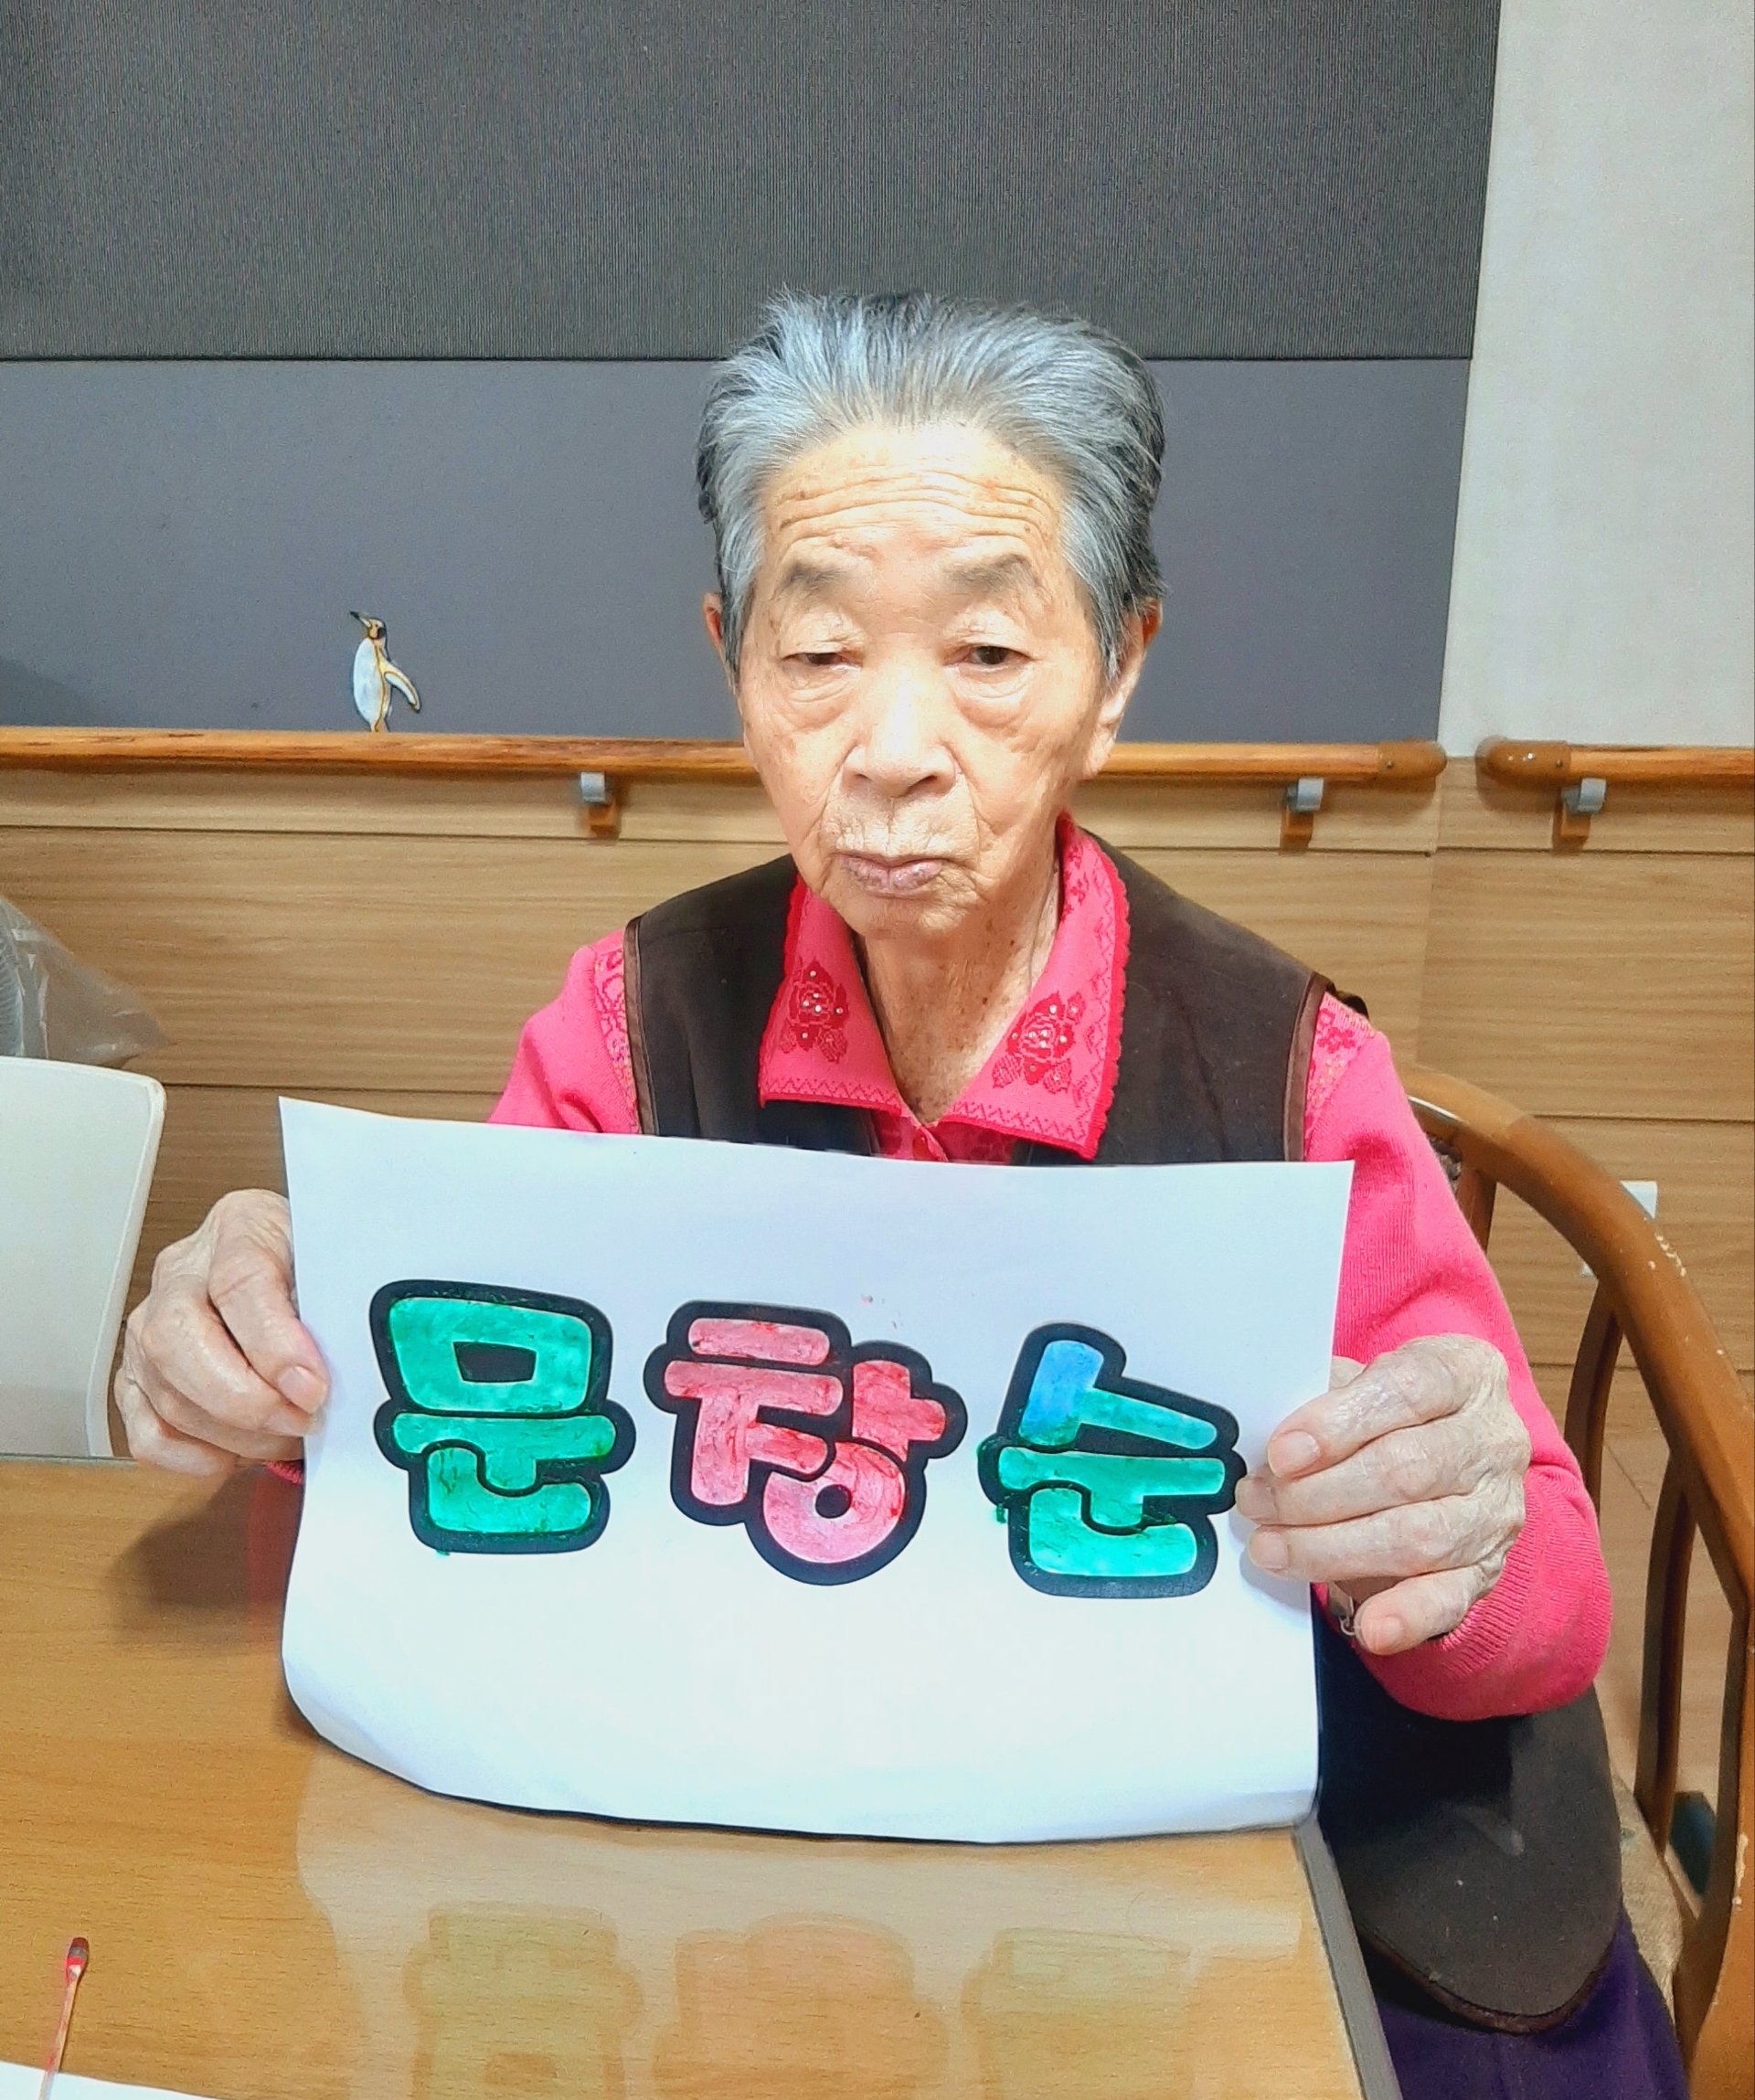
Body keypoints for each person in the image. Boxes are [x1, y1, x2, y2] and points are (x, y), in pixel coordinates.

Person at [116, 291, 1684, 2095]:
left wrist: (1457, 1524)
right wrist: (277, 1369)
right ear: (732, 661)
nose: (892, 746)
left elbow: (1541, 1621)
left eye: (991, 654)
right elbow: (450, 1473)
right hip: (751, 1875)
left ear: (1120, 668)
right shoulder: (629, 1025)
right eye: (819, 655)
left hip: (1172, 1893)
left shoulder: (1286, 1071)